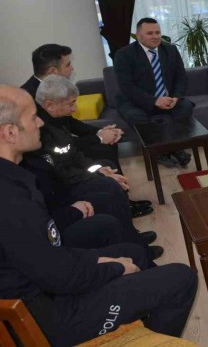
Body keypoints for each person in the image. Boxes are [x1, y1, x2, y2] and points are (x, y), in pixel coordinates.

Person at [0, 85, 197, 346]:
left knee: (133, 253)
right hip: (48, 318)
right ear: (10, 132)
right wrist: (114, 267)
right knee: (182, 279)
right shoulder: (11, 200)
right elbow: (59, 275)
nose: (40, 123)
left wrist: (100, 259)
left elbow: (49, 255)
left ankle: (142, 318)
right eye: (33, 117)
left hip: (47, 288)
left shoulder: (13, 180)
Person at [32, 75, 163, 260]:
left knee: (110, 177)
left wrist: (98, 169)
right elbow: (63, 173)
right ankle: (135, 248)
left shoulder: (57, 119)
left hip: (70, 178)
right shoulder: (41, 131)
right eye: (71, 104)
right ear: (50, 105)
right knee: (109, 190)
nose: (74, 108)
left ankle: (131, 237)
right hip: (64, 189)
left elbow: (73, 154)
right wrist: (97, 175)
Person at [21, 43, 153, 218]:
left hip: (64, 148)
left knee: (108, 145)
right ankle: (120, 202)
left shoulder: (53, 88)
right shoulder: (28, 99)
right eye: (68, 64)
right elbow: (54, 144)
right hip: (53, 159)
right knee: (103, 149)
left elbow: (70, 123)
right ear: (53, 71)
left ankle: (122, 199)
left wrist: (99, 132)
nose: (72, 69)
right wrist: (99, 138)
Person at [114, 18, 193, 167]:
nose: (155, 36)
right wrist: (154, 101)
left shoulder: (170, 50)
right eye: (150, 33)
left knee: (185, 106)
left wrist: (175, 97)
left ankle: (176, 148)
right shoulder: (124, 54)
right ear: (138, 36)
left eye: (158, 32)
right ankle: (161, 152)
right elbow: (127, 87)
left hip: (167, 99)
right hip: (136, 101)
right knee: (136, 116)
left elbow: (181, 78)